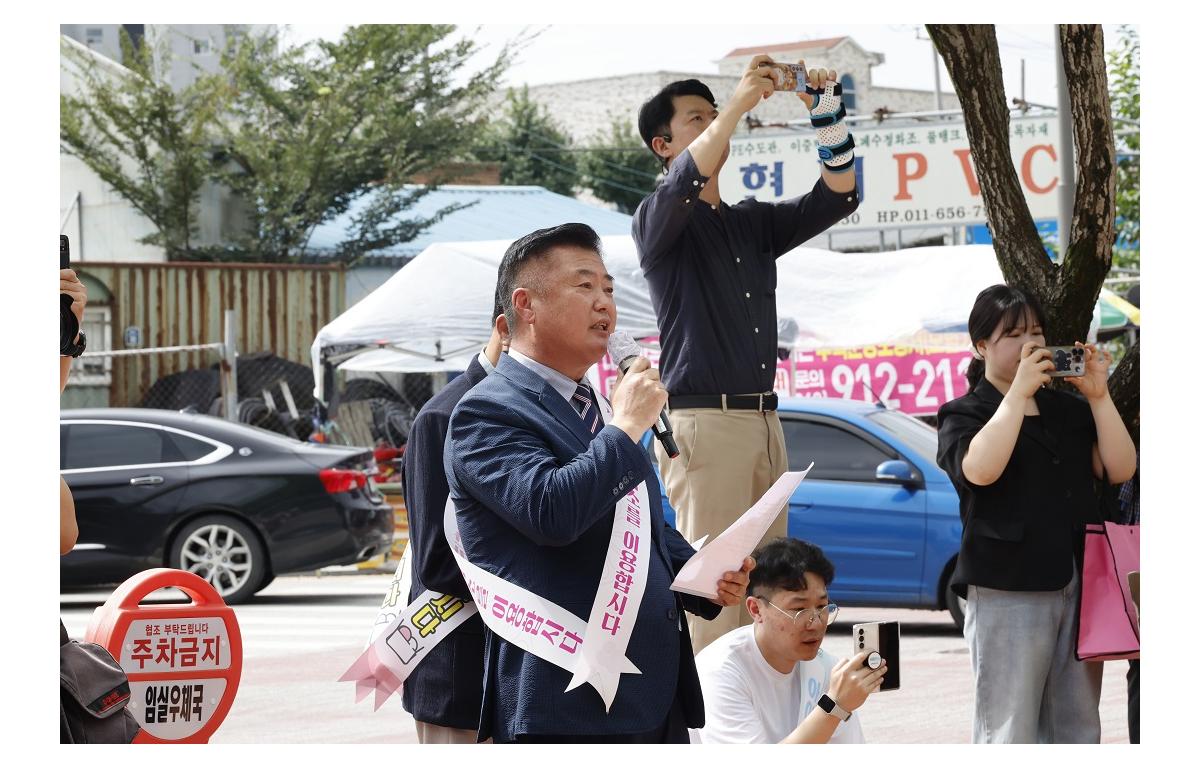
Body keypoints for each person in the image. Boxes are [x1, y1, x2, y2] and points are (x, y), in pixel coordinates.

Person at [444, 223, 753, 743]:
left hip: (653, 693)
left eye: (608, 288)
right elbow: (552, 512)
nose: (604, 303)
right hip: (565, 697)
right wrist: (628, 427)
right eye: (584, 286)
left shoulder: (599, 409)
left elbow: (638, 526)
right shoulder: (485, 411)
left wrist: (702, 578)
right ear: (526, 304)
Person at [633, 56, 860, 652]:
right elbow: (687, 177)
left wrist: (825, 110)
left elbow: (839, 196)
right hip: (705, 422)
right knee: (714, 593)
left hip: (764, 419)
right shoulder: (658, 221)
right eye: (696, 119)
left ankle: (755, 732)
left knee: (767, 594)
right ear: (664, 144)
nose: (715, 125)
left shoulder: (750, 222)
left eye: (714, 113)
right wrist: (736, 104)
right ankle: (704, 736)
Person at [936, 284, 1137, 744]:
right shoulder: (964, 412)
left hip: (1080, 578)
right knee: (1009, 724)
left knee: (1078, 722)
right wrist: (1017, 394)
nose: (1030, 343)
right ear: (981, 345)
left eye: (1037, 331)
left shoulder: (1066, 407)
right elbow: (979, 471)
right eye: (1013, 334)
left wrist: (1100, 397)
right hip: (1007, 584)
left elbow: (1120, 467)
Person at [400, 301, 509, 744]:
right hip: (457, 671)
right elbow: (438, 564)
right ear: (508, 328)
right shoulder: (443, 416)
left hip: (515, 671)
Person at [694, 537, 882, 744]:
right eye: (798, 609)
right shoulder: (720, 672)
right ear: (756, 609)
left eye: (822, 607)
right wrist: (835, 706)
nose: (815, 623)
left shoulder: (826, 668)